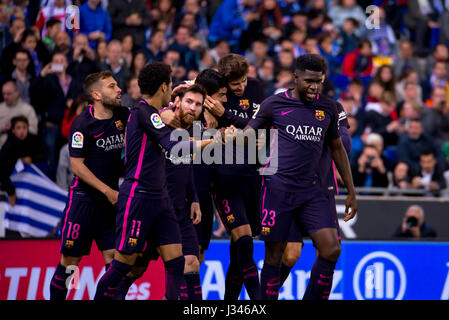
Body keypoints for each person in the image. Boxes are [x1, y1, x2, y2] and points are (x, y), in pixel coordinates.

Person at [226, 54, 357, 300]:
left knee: (331, 249)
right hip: (277, 189)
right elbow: (248, 134)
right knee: (275, 256)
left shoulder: (328, 107)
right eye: (309, 81)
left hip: (313, 192)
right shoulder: (273, 104)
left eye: (318, 81)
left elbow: (338, 148)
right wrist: (229, 137)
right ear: (295, 78)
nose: (314, 86)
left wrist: (351, 190)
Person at [93, 62, 217, 300]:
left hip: (161, 201)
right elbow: (173, 145)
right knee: (124, 265)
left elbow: (175, 114)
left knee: (176, 262)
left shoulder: (155, 113)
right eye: (169, 84)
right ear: (163, 86)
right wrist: (212, 140)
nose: (171, 89)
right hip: (138, 197)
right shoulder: (143, 113)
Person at [48, 70, 129, 300]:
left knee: (114, 262)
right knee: (70, 264)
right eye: (112, 86)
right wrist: (107, 191)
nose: (119, 89)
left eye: (117, 85)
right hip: (83, 202)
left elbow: (148, 117)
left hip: (109, 205)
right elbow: (77, 166)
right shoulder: (82, 123)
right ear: (97, 94)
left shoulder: (122, 114)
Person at [203, 54, 265, 300]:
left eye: (243, 81)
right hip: (224, 177)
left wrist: (227, 117)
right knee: (244, 240)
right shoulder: (214, 96)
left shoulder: (257, 88)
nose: (241, 87)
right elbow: (205, 130)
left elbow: (259, 128)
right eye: (235, 84)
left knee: (239, 250)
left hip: (252, 175)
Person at [0, 116, 40, 208]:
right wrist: (11, 192)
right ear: (13, 130)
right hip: (8, 188)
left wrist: (29, 158)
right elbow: (2, 170)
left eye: (24, 127)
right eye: (18, 128)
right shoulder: (9, 146)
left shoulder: (32, 141)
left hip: (24, 187)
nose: (22, 131)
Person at [0, 80, 38, 149]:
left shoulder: (27, 109)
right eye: (3, 94)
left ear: (17, 93)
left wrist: (18, 130)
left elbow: (34, 130)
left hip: (21, 149)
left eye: (8, 94)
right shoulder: (0, 108)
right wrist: (1, 129)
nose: (5, 97)